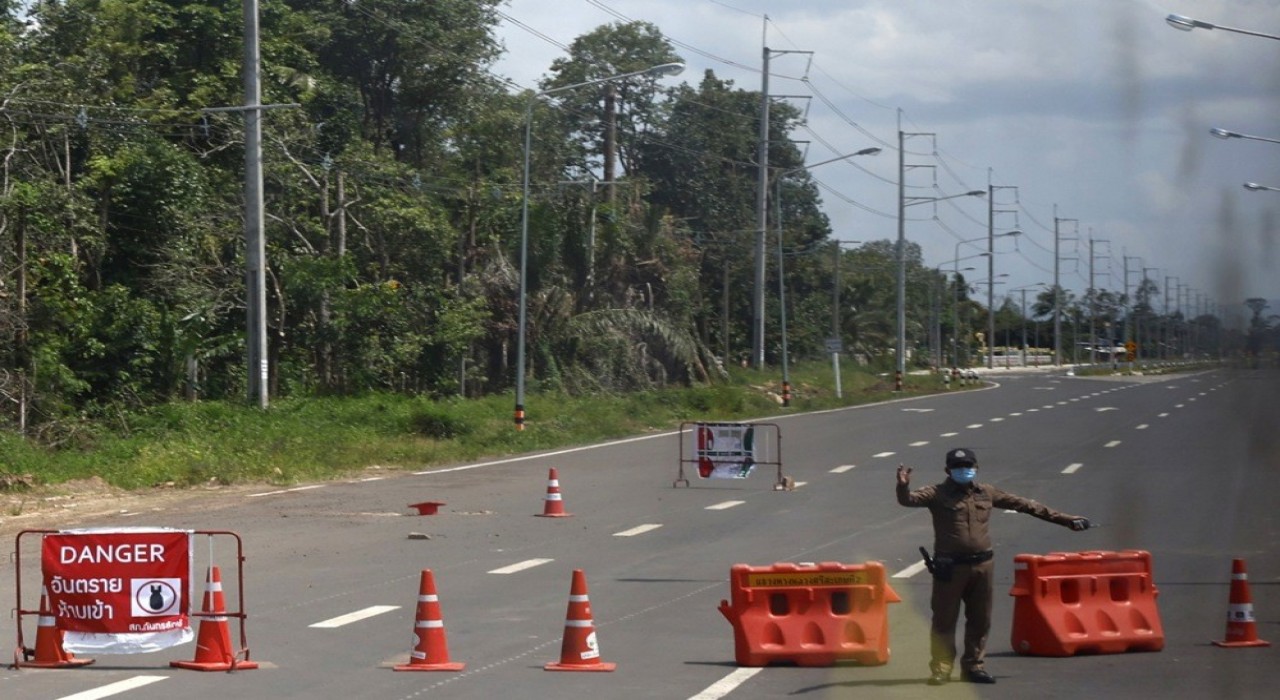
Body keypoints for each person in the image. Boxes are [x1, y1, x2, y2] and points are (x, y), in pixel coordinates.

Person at [895, 447, 1090, 686]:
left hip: (982, 566)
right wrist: (903, 485)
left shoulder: (986, 492)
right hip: (950, 568)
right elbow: (908, 500)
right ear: (948, 470)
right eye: (957, 467)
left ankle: (974, 667)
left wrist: (1067, 520)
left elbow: (1026, 505)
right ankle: (942, 668)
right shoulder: (937, 493)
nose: (963, 470)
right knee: (944, 620)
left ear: (976, 468)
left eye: (967, 466)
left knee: (980, 619)